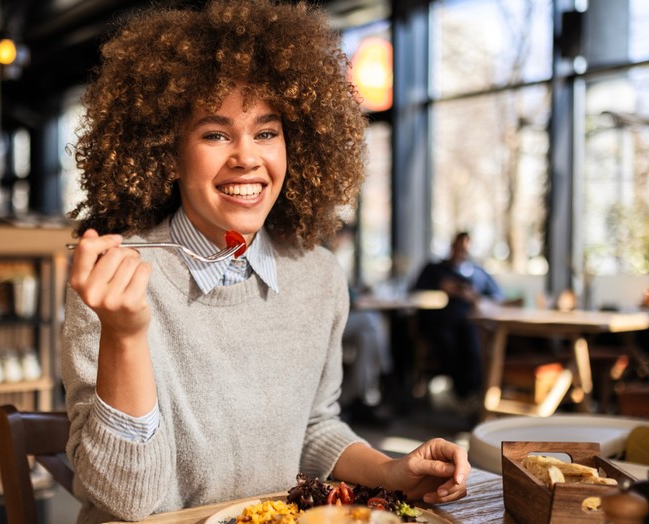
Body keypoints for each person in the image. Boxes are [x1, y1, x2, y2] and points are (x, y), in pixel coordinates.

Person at [62, 2, 470, 523]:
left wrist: (391, 471)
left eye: (266, 132)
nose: (247, 157)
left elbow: (313, 429)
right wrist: (123, 335)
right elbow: (126, 500)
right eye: (215, 134)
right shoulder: (115, 281)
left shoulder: (317, 275)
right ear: (167, 152)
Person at [410, 232, 503, 404]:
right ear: (452, 246)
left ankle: (471, 393)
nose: (461, 251)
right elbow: (414, 292)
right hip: (438, 322)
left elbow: (497, 296)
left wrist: (473, 296)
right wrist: (440, 288)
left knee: (472, 343)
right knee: (448, 340)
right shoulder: (434, 270)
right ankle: (462, 392)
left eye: (465, 248)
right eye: (458, 247)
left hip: (469, 321)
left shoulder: (478, 273)